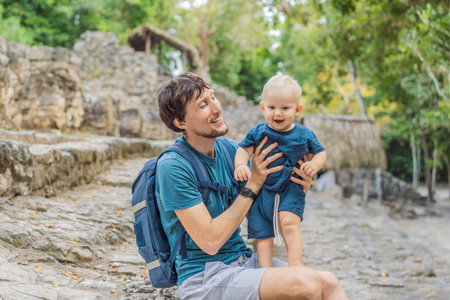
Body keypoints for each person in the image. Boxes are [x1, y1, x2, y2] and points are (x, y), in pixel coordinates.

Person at [155, 72, 347, 299]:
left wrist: (299, 186)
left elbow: (265, 205)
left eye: (213, 97)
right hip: (205, 277)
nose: (217, 108)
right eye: (203, 105)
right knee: (305, 285)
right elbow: (210, 241)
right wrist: (253, 184)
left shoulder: (229, 151)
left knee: (328, 283)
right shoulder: (174, 167)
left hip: (243, 262)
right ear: (181, 122)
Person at [234, 74, 326, 268]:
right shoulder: (258, 132)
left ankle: (295, 265)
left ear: (297, 109)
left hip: (291, 188)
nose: (278, 113)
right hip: (262, 191)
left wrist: (315, 165)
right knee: (263, 233)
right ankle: (266, 273)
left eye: (285, 108)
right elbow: (243, 150)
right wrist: (241, 165)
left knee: (289, 222)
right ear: (263, 107)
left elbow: (321, 153)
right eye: (272, 107)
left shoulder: (304, 134)